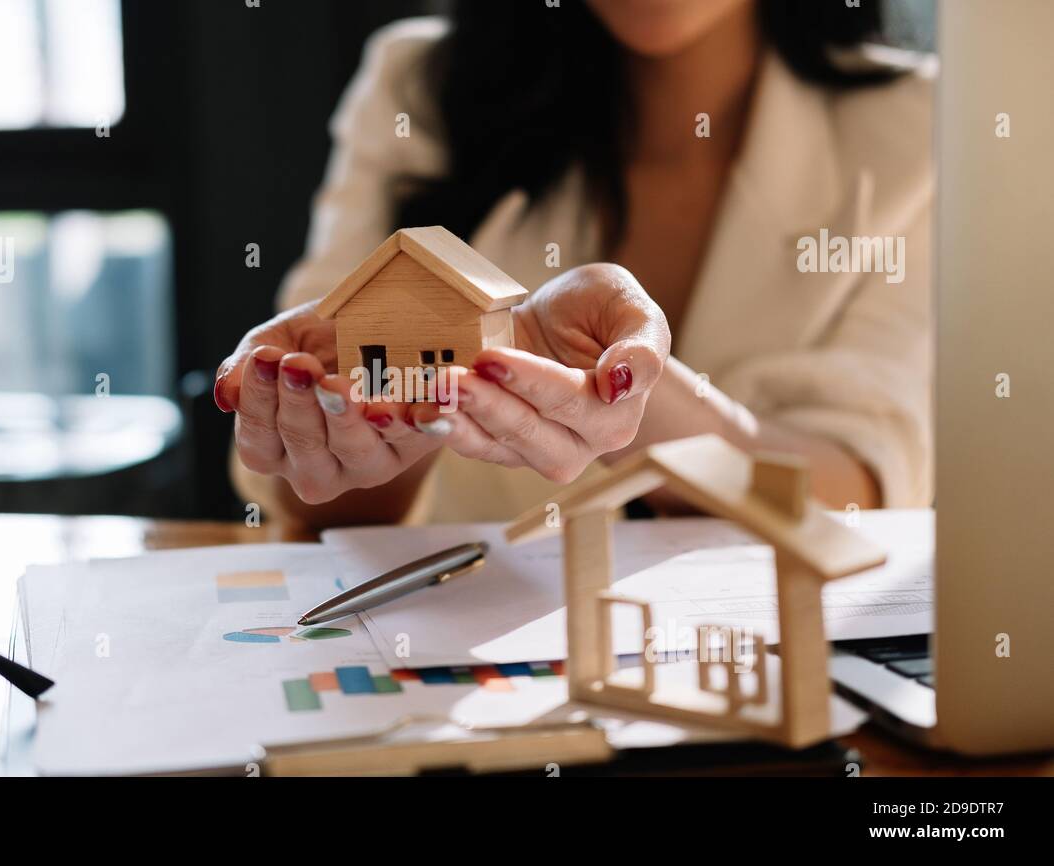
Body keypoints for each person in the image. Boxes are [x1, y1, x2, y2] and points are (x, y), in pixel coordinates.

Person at [215, 0, 933, 528]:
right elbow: (312, 501)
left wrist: (633, 403)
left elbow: (860, 490)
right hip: (460, 671)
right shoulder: (417, 88)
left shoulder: (920, 127)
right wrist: (386, 423)